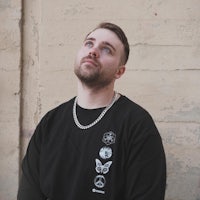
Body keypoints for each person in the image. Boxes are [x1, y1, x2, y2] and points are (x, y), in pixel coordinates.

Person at [17, 22, 166, 200]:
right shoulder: (50, 122)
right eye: (89, 43)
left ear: (119, 72)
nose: (93, 51)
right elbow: (28, 193)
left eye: (107, 49)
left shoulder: (137, 125)